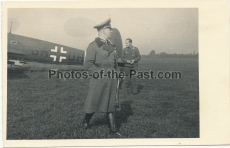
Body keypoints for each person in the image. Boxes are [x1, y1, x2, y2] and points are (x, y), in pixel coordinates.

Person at [82, 18, 121, 136]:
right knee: (94, 102)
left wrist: (118, 76)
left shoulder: (112, 46)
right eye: (110, 29)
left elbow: (115, 64)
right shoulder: (93, 46)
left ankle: (113, 129)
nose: (111, 31)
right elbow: (88, 65)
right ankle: (85, 121)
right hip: (99, 80)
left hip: (112, 79)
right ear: (104, 30)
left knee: (111, 103)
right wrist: (100, 74)